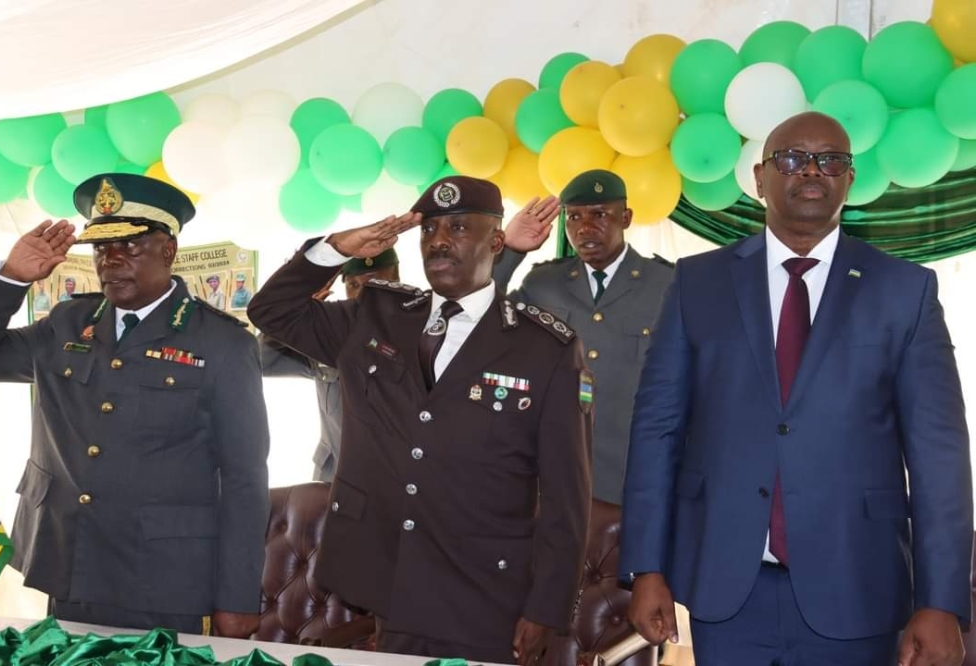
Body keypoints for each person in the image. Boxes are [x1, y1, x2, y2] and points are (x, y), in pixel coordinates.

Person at [620, 112, 972, 666]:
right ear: (759, 178)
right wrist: (646, 566)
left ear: (850, 180)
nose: (812, 169)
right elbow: (657, 431)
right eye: (792, 157)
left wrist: (941, 602)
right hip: (728, 592)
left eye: (831, 159)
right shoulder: (697, 283)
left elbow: (940, 455)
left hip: (857, 588)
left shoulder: (905, 291)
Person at [248, 176, 592, 664]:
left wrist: (547, 607)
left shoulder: (545, 348)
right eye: (429, 230)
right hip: (389, 579)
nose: (439, 240)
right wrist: (334, 249)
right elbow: (270, 311)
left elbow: (567, 495)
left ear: (496, 241)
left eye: (457, 227)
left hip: (485, 589)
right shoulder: (375, 315)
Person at [0, 173, 270, 637]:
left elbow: (245, 480)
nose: (111, 261)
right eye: (100, 248)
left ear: (168, 250)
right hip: (71, 559)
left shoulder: (222, 343)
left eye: (130, 246)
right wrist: (8, 280)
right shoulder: (68, 323)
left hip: (164, 576)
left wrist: (237, 596)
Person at [492, 170, 673, 504]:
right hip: (550, 474)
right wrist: (510, 250)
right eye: (574, 217)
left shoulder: (667, 286)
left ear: (627, 217)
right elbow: (481, 316)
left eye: (600, 214)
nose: (585, 227)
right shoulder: (543, 283)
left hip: (633, 479)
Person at [259, 248, 399, 481]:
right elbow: (262, 361)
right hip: (335, 478)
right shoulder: (328, 337)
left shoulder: (418, 335)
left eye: (373, 283)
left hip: (395, 479)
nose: (360, 295)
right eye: (353, 285)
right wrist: (293, 318)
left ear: (395, 277)